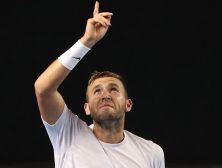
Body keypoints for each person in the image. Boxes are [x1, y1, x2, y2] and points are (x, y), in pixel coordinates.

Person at [34, 1, 165, 167]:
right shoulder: (68, 134)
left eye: (114, 89)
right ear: (86, 108)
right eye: (97, 91)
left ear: (128, 104)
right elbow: (43, 89)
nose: (105, 95)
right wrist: (87, 41)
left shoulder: (152, 153)